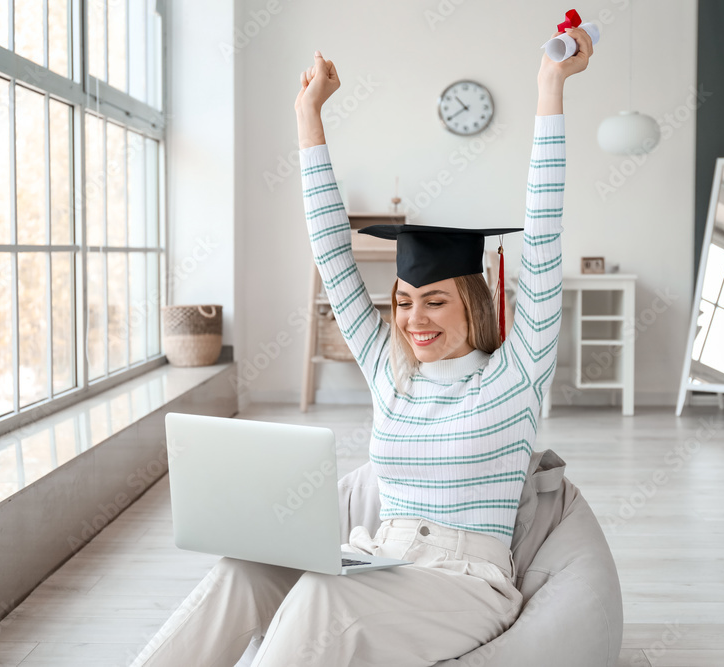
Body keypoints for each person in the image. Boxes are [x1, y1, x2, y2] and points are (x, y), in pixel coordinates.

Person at [130, 26, 592, 667]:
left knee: (321, 597)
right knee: (245, 571)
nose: (414, 320)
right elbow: (331, 250)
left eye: (435, 301)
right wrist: (307, 116)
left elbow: (542, 241)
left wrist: (549, 89)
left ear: (474, 301)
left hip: (464, 585)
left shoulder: (514, 377)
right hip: (377, 559)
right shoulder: (390, 373)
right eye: (403, 302)